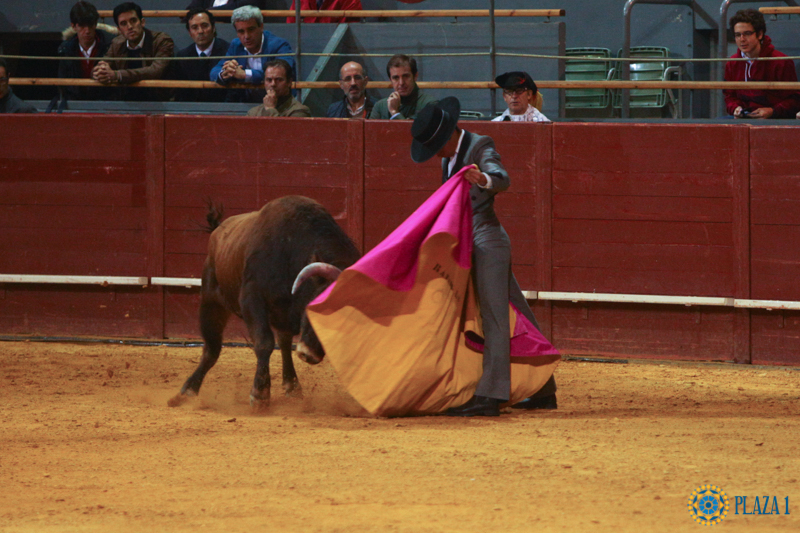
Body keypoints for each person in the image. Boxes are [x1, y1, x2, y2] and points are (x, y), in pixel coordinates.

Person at [410, 97, 557, 417]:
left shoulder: (480, 145)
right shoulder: (447, 159)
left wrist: (484, 179)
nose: (435, 153)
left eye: (436, 146)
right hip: (468, 243)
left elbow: (502, 178)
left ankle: (491, 394)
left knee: (494, 318)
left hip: (488, 242)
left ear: (448, 135)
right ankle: (545, 388)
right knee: (518, 313)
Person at [724, 9, 800, 119]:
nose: (742, 39)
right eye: (737, 35)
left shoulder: (781, 61)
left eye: (747, 34)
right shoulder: (732, 63)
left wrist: (772, 111)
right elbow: (729, 96)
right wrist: (735, 108)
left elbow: (795, 100)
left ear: (760, 34)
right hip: (743, 118)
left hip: (774, 120)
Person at [210, 5, 295, 103]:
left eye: (251, 29)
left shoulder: (279, 45)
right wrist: (225, 73)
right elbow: (214, 72)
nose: (246, 36)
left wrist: (245, 74)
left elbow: (283, 73)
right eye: (241, 31)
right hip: (246, 104)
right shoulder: (236, 45)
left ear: (261, 27)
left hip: (280, 103)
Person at [92, 2, 175, 101]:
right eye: (124, 24)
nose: (130, 26)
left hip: (158, 101)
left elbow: (155, 71)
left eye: (133, 21)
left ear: (142, 22)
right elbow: (103, 64)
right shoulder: (116, 44)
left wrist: (117, 75)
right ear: (119, 29)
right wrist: (99, 72)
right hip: (125, 102)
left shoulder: (162, 41)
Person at [57, 1, 116, 101]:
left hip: (106, 105)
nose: (87, 31)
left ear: (95, 24)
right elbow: (62, 84)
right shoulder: (65, 49)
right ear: (73, 26)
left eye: (90, 25)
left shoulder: (112, 45)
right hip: (74, 106)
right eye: (82, 26)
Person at [172, 8, 230, 102]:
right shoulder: (183, 56)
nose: (200, 31)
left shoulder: (228, 51)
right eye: (195, 27)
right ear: (190, 33)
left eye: (204, 26)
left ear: (213, 27)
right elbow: (181, 93)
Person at [369, 54, 437, 120]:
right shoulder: (380, 106)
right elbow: (369, 131)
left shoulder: (429, 104)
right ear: (390, 80)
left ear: (415, 76)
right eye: (396, 78)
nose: (401, 83)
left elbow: (410, 131)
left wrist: (394, 112)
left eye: (406, 76)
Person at [246, 59, 310, 117]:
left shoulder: (299, 111)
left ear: (289, 82)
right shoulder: (254, 112)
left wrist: (270, 109)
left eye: (279, 80)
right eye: (269, 80)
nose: (273, 84)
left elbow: (280, 130)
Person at [286, 0, 362, 23]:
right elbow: (290, 28)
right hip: (304, 46)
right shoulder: (301, 1)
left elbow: (349, 35)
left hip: (336, 51)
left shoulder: (350, 1)